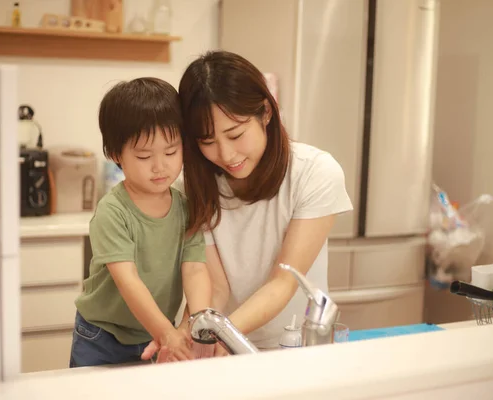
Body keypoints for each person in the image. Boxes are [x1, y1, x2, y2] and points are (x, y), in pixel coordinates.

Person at [143, 50, 353, 358]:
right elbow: (215, 288)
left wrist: (221, 332)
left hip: (296, 350)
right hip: (226, 351)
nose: (226, 155)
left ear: (266, 112)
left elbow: (283, 282)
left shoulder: (315, 172)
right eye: (207, 141)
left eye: (235, 134)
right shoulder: (191, 186)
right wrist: (186, 335)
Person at [70, 77, 211, 367]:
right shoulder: (113, 211)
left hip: (159, 331)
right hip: (102, 336)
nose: (160, 166)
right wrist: (165, 333)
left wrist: (191, 326)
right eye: (145, 155)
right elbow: (128, 281)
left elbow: (196, 270)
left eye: (171, 152)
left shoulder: (186, 207)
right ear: (114, 154)